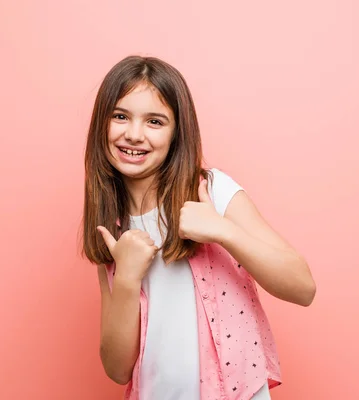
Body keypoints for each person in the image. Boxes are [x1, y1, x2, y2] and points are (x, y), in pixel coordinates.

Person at [81, 55, 316, 400]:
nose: (133, 134)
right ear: (102, 122)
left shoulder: (211, 192)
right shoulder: (111, 226)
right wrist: (128, 278)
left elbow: (303, 287)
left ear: (177, 132)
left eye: (155, 122)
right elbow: (117, 369)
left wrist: (223, 231)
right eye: (120, 116)